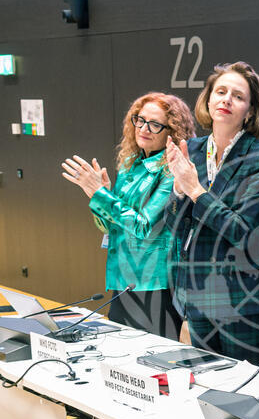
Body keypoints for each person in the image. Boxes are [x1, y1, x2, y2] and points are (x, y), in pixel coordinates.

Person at [165, 61, 259, 365]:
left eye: (238, 96)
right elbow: (174, 226)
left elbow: (244, 232)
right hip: (198, 293)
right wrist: (179, 190)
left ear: (250, 110)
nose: (226, 99)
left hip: (246, 301)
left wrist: (195, 191)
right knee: (206, 384)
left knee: (249, 389)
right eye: (220, 92)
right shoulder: (191, 150)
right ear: (208, 100)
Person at [60, 92, 194, 339]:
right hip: (122, 276)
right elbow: (109, 228)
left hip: (154, 281)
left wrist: (100, 194)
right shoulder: (130, 163)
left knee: (155, 356)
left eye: (155, 124)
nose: (144, 128)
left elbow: (144, 226)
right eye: (140, 120)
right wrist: (98, 195)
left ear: (172, 133)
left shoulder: (172, 170)